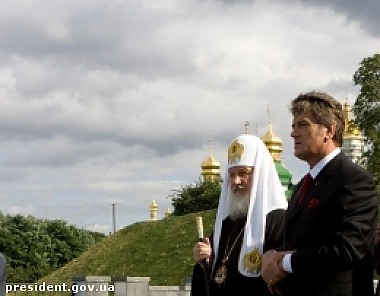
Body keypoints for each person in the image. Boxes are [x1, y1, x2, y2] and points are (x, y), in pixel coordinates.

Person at [261, 91, 378, 296]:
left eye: (303, 125)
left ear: (329, 131)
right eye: (293, 126)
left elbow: (347, 249)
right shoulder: (302, 186)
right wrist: (272, 255)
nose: (293, 133)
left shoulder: (354, 179)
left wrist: (284, 262)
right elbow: (297, 241)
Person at [191, 132, 288, 296]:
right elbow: (212, 281)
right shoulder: (226, 225)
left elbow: (283, 283)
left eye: (243, 173)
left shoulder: (279, 221)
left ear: (260, 175)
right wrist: (204, 263)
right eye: (232, 175)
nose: (236, 182)